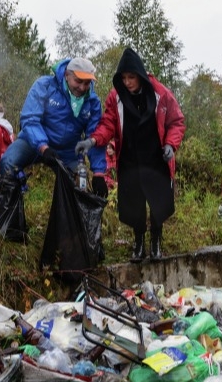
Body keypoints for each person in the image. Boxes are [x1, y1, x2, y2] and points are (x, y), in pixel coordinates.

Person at [75, 47, 185, 262]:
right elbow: (108, 124)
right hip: (130, 158)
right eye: (123, 78)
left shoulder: (160, 93)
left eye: (131, 77)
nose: (127, 82)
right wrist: (93, 140)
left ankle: (156, 241)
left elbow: (176, 122)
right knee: (133, 204)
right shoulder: (116, 97)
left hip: (156, 158)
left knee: (158, 202)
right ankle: (138, 243)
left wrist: (171, 145)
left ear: (140, 75)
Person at [0, 57, 107, 197]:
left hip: (68, 150)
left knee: (78, 185)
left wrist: (98, 172)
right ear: (67, 75)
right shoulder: (45, 85)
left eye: (87, 83)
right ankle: (6, 216)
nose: (82, 87)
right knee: (8, 163)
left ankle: (67, 218)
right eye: (78, 81)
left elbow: (94, 136)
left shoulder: (92, 102)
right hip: (32, 142)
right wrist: (43, 147)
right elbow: (30, 119)